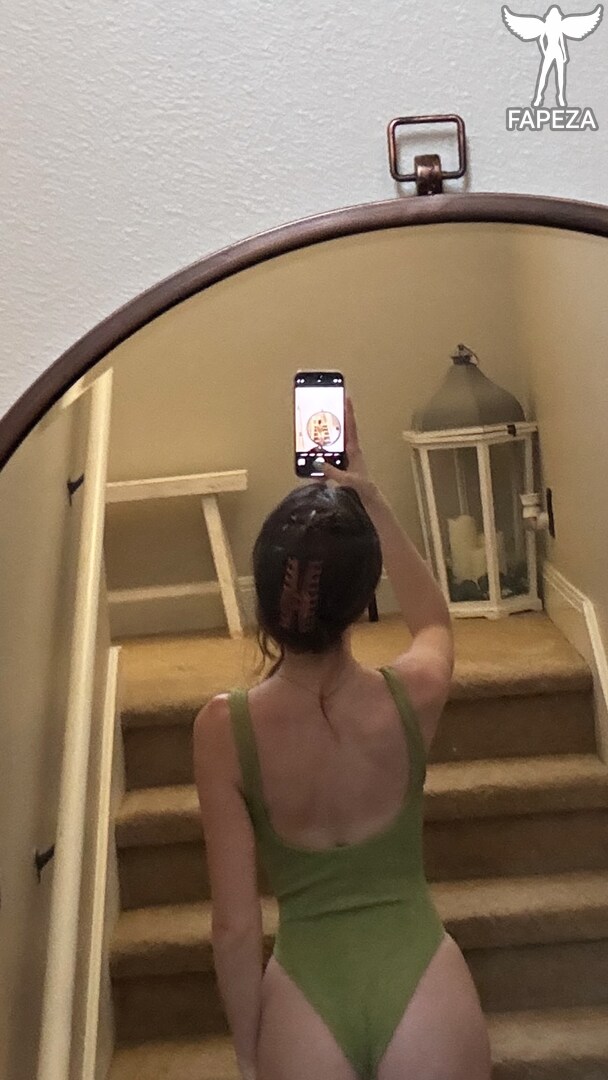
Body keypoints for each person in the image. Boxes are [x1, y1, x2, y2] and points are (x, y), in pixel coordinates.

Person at [193, 397, 492, 1080]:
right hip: (423, 981)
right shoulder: (414, 693)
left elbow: (234, 928)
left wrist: (250, 1054)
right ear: (361, 605)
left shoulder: (222, 731)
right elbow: (434, 622)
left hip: (305, 1000)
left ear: (265, 600)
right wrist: (371, 496)